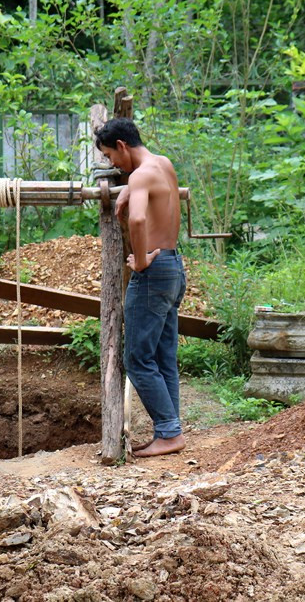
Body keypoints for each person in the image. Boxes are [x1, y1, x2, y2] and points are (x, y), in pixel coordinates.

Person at [95, 117, 187, 458]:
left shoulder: (139, 175)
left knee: (137, 360)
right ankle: (171, 429)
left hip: (154, 271)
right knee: (164, 357)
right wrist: (132, 190)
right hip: (175, 265)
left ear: (121, 145)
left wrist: (141, 260)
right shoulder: (162, 165)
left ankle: (168, 433)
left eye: (109, 156)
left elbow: (136, 219)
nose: (111, 164)